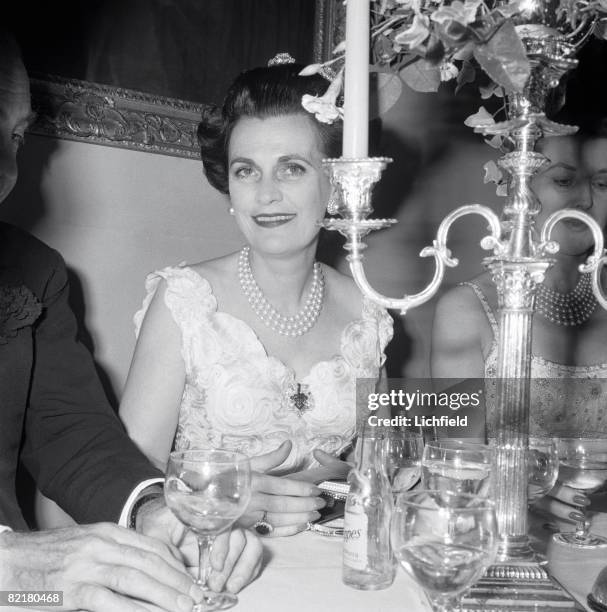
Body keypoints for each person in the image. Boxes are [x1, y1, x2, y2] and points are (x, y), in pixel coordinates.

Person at [0, 29, 261, 610]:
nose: (6, 171)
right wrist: (9, 566)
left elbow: (70, 431)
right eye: (248, 170)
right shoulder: (184, 296)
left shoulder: (33, 271)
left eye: (15, 136)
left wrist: (153, 511)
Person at [119, 57, 393, 537]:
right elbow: (126, 482)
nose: (266, 194)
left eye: (292, 168)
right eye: (246, 171)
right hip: (207, 558)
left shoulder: (369, 311)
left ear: (336, 184)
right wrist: (219, 495)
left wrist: (354, 481)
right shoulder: (185, 302)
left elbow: (385, 468)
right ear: (229, 187)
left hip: (334, 564)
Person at [431, 127, 607, 524]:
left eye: (603, 183)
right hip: (508, 533)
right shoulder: (467, 311)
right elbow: (456, 472)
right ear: (519, 187)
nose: (586, 200)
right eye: (564, 180)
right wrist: (517, 493)